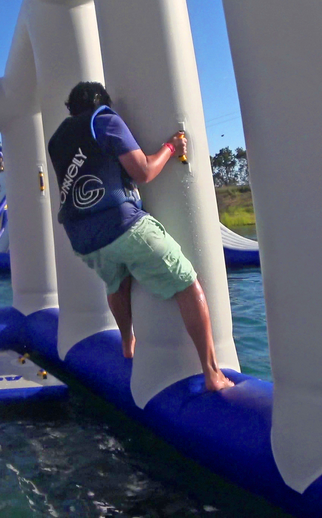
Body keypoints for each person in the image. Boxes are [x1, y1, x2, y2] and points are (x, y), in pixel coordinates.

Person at [46, 81, 234, 392]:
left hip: (82, 240)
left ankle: (126, 342)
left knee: (117, 281)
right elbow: (143, 172)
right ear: (101, 101)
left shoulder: (58, 139)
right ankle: (212, 372)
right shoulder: (104, 119)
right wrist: (171, 147)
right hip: (122, 225)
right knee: (187, 282)